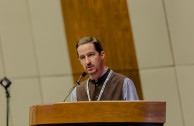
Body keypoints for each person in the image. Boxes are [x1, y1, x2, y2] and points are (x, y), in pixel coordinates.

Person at [71, 36, 139, 101]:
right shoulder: (77, 92)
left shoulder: (124, 83)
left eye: (91, 55)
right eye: (82, 57)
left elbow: (135, 112)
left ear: (102, 55)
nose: (87, 62)